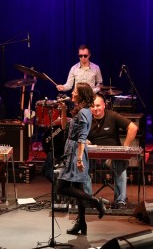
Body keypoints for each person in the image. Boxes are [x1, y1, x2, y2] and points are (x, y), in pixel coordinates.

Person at [57, 82, 106, 235]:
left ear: (81, 95)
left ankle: (95, 201)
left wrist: (78, 159)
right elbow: (65, 127)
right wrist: (64, 110)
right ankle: (81, 224)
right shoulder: (79, 111)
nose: (72, 93)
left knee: (62, 187)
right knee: (78, 189)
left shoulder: (84, 112)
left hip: (75, 153)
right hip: (71, 150)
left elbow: (82, 138)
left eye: (75, 91)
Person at [88, 94, 138, 209]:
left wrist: (125, 147)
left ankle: (120, 200)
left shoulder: (112, 116)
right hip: (93, 154)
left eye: (98, 105)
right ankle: (88, 198)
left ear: (104, 105)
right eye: (92, 106)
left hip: (112, 155)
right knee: (82, 167)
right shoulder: (87, 118)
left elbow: (133, 128)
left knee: (120, 166)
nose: (95, 109)